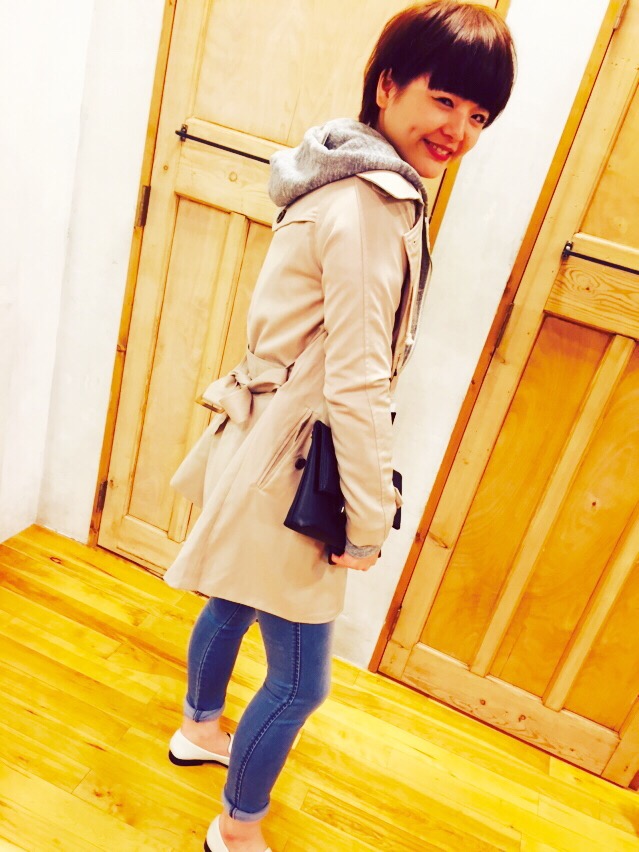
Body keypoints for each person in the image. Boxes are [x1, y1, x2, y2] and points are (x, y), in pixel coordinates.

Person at [163, 3, 516, 850]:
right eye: (443, 100)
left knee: (233, 598)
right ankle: (237, 828)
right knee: (299, 684)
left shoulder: (339, 173)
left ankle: (199, 727)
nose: (458, 130)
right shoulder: (369, 206)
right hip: (295, 462)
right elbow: (355, 381)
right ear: (387, 85)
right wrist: (365, 516)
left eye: (478, 115)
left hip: (263, 431)